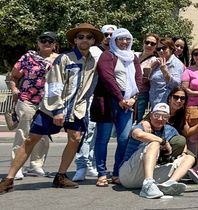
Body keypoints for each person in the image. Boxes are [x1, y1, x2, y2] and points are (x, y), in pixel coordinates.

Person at [0, 23, 103, 194]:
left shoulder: (93, 61)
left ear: (93, 41)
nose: (85, 39)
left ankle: (61, 176)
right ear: (75, 40)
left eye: (89, 37)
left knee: (75, 139)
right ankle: (9, 179)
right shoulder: (64, 58)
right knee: (31, 139)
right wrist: (57, 110)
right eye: (81, 37)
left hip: (77, 108)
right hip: (54, 107)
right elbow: (54, 84)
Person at [91, 28, 142, 186]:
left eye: (127, 39)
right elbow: (108, 78)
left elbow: (138, 78)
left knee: (124, 139)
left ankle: (117, 172)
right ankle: (101, 173)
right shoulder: (107, 55)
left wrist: (133, 98)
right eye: (121, 39)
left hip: (128, 102)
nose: (124, 42)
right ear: (114, 40)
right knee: (102, 139)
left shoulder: (133, 57)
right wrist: (120, 98)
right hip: (109, 101)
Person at [6, 31, 58, 179]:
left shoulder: (60, 60)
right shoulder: (28, 57)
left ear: (55, 44)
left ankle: (36, 165)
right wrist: (15, 89)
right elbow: (13, 76)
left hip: (48, 102)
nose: (46, 43)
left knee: (43, 135)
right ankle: (17, 167)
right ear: (38, 43)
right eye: (43, 40)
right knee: (24, 133)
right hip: (27, 99)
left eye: (50, 40)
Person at [119, 103, 197, 199]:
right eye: (156, 115)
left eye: (164, 116)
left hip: (152, 174)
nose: (160, 119)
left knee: (190, 158)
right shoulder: (143, 126)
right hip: (130, 173)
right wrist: (162, 141)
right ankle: (148, 184)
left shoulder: (170, 130)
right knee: (154, 143)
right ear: (151, 115)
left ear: (168, 118)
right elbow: (137, 134)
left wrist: (184, 153)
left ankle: (169, 184)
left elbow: (183, 143)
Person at [74, 24, 116, 181]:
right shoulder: (93, 51)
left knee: (98, 135)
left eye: (113, 35)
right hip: (87, 97)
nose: (109, 37)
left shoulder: (116, 54)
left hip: (105, 101)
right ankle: (81, 166)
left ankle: (91, 164)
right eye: (106, 34)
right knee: (86, 132)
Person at [149, 38, 184, 106]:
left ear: (171, 49)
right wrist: (151, 66)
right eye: (158, 49)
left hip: (166, 104)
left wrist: (165, 71)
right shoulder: (157, 62)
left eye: (164, 48)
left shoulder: (176, 63)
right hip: (154, 102)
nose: (161, 51)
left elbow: (176, 85)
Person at [136, 34, 159, 123]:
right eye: (147, 42)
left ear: (156, 46)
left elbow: (147, 78)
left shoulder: (155, 61)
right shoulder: (134, 55)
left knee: (135, 120)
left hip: (141, 94)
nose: (149, 45)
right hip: (127, 93)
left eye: (152, 44)